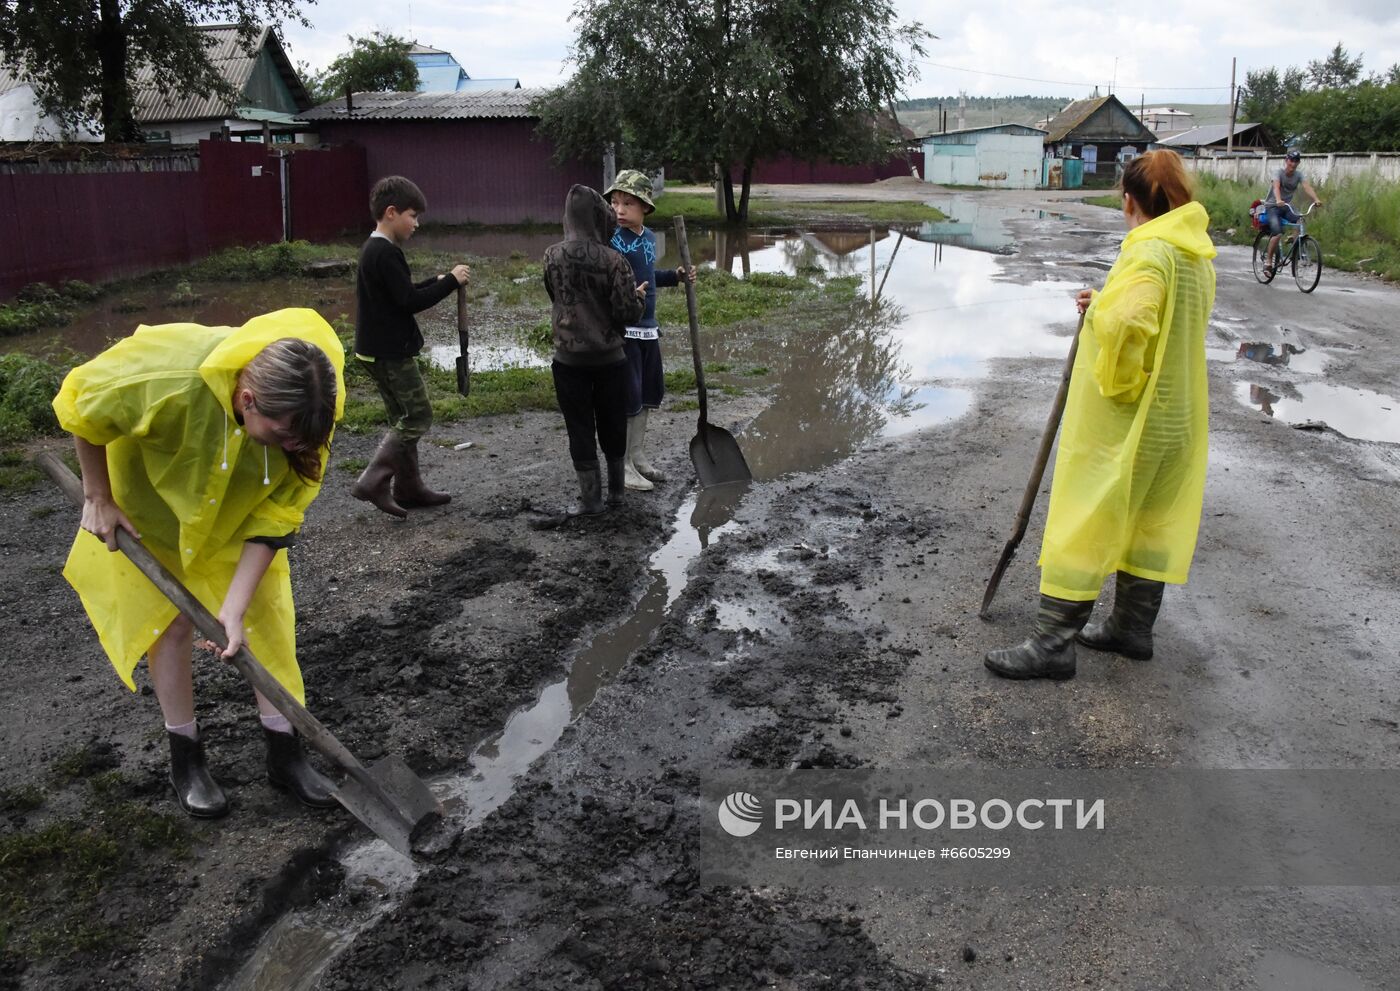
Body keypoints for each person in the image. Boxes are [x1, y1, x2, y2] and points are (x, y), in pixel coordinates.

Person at [53, 309, 346, 817]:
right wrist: (97, 494)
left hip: (240, 511)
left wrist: (232, 609)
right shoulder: (161, 377)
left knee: (267, 622)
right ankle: (185, 757)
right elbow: (84, 403)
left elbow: (281, 511)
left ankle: (286, 755)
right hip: (154, 510)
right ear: (247, 399)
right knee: (169, 627)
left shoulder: (314, 402)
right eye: (281, 438)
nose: (294, 448)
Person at [985, 149, 1217, 680]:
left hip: (1132, 418)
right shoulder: (1195, 255)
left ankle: (1052, 644)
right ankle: (1131, 629)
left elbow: (1134, 323)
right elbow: (1160, 313)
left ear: (1129, 199)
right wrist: (1105, 300)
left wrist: (1108, 329)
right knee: (1151, 519)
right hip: (1175, 418)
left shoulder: (1150, 251)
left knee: (1085, 515)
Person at [351, 175, 471, 518]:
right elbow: (408, 302)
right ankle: (373, 479)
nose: (416, 224)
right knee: (418, 415)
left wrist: (432, 282)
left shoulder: (373, 248)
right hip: (391, 352)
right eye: (412, 215)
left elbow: (400, 293)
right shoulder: (387, 253)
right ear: (391, 213)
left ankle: (408, 487)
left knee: (401, 419)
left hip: (372, 349)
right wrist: (450, 281)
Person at [542, 184, 646, 516]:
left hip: (568, 360)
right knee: (613, 425)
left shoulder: (551, 255)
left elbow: (555, 297)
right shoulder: (614, 260)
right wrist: (639, 298)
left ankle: (590, 501)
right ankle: (617, 495)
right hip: (610, 361)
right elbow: (627, 312)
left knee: (580, 428)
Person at [603, 169, 695, 491]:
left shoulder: (647, 238)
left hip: (648, 328)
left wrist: (676, 276)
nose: (619, 210)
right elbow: (608, 282)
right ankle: (623, 464)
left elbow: (650, 274)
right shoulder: (611, 239)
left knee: (646, 393)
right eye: (615, 203)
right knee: (628, 395)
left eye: (627, 204)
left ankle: (638, 456)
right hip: (625, 328)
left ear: (645, 207)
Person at [1262, 150, 1322, 279]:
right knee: (1277, 233)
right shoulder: (1278, 173)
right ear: (1286, 161)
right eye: (1291, 160)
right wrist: (1278, 199)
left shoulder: (1299, 175)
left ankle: (1295, 243)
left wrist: (1316, 199)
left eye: (1296, 161)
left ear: (1298, 162)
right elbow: (1276, 187)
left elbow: (1307, 187)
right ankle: (1268, 262)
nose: (1293, 163)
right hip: (1273, 206)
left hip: (1286, 206)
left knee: (1300, 220)